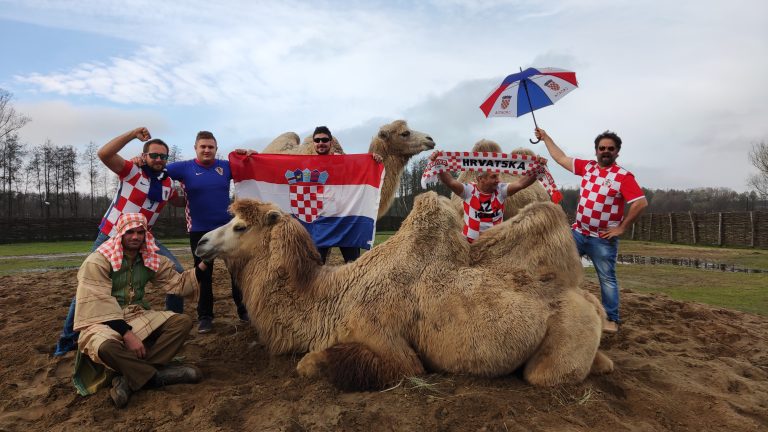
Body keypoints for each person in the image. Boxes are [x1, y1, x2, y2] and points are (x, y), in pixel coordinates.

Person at [54, 127, 185, 356]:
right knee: (88, 289)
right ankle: (66, 343)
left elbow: (180, 201)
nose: (158, 159)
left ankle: (167, 327)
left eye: (163, 156)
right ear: (144, 156)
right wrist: (132, 134)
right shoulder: (132, 172)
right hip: (112, 233)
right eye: (153, 155)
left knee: (178, 274)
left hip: (143, 238)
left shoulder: (167, 184)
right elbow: (104, 154)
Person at [73, 213, 204, 408]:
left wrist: (206, 263)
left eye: (140, 232)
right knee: (106, 347)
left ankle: (128, 379)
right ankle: (154, 377)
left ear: (146, 234)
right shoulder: (97, 262)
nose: (135, 237)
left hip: (136, 314)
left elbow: (180, 284)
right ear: (120, 234)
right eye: (130, 232)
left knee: (182, 322)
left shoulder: (148, 258)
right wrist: (126, 333)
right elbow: (97, 304)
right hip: (101, 321)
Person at [535, 127, 648, 333]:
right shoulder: (588, 167)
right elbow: (560, 158)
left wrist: (621, 227)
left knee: (606, 278)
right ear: (596, 150)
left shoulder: (623, 177)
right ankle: (556, 306)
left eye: (610, 149)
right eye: (602, 148)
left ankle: (611, 319)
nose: (606, 151)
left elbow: (640, 202)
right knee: (558, 266)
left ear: (617, 152)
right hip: (578, 232)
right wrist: (546, 137)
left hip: (602, 239)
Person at [165, 131, 249, 334]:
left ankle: (244, 311)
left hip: (227, 229)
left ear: (216, 149)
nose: (207, 150)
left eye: (210, 147)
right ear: (195, 148)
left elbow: (251, 169)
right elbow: (156, 170)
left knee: (237, 271)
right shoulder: (184, 168)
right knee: (203, 274)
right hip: (199, 229)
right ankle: (205, 317)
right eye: (203, 146)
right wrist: (140, 161)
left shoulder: (225, 167)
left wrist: (250, 155)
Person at [428, 150, 538, 243]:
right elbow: (450, 182)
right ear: (481, 179)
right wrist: (438, 164)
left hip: (493, 244)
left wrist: (537, 169)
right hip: (470, 245)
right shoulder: (469, 190)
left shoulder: (501, 190)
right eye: (493, 177)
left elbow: (521, 184)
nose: (498, 180)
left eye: (497, 176)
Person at [311, 125, 383, 264]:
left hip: (345, 220)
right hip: (321, 222)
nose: (321, 143)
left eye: (324, 140)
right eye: (317, 140)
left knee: (353, 265)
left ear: (330, 142)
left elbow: (363, 168)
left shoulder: (344, 161)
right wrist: (256, 158)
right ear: (314, 143)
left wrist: (373, 159)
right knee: (316, 267)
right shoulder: (308, 164)